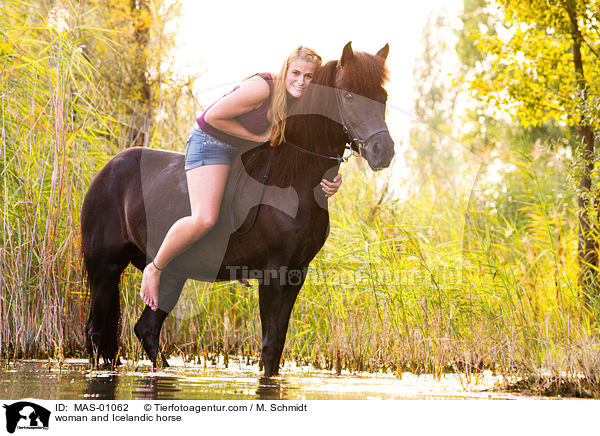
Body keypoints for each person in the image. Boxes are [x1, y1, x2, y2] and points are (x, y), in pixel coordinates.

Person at [140, 46, 343, 311]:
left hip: (243, 150)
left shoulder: (301, 99)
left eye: (308, 76)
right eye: (296, 73)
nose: (302, 81)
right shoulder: (263, 87)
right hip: (211, 142)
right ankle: (155, 268)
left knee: (248, 207)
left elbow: (308, 151)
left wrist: (334, 178)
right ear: (286, 69)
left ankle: (244, 259)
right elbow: (211, 117)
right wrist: (259, 138)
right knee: (205, 218)